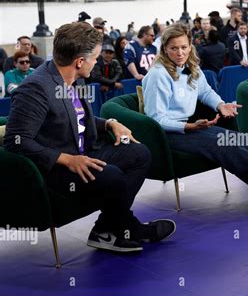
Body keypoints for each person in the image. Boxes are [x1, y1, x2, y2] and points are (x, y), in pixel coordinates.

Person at [4, 22, 175, 253]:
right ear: (80, 62)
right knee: (112, 175)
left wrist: (110, 123)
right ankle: (129, 228)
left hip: (83, 151)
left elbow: (75, 117)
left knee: (139, 154)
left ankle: (105, 229)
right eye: (95, 58)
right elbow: (16, 141)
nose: (96, 63)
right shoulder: (35, 88)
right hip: (56, 168)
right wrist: (65, 159)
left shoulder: (68, 77)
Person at [143, 24, 248, 207]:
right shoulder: (158, 75)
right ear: (165, 49)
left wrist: (220, 105)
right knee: (222, 145)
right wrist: (188, 127)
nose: (180, 53)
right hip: (167, 134)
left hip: (189, 127)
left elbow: (205, 92)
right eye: (174, 48)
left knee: (241, 140)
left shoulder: (191, 68)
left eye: (184, 47)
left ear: (190, 46)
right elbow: (155, 120)